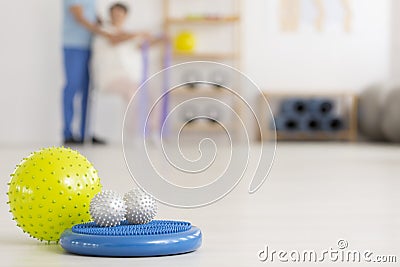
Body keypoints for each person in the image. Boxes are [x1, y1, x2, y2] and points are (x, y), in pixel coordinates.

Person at [62, 0, 110, 145]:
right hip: (74, 46)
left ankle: (85, 134)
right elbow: (79, 17)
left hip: (92, 46)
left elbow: (93, 17)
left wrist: (107, 26)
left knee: (89, 90)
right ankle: (68, 133)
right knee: (72, 87)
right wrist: (103, 32)